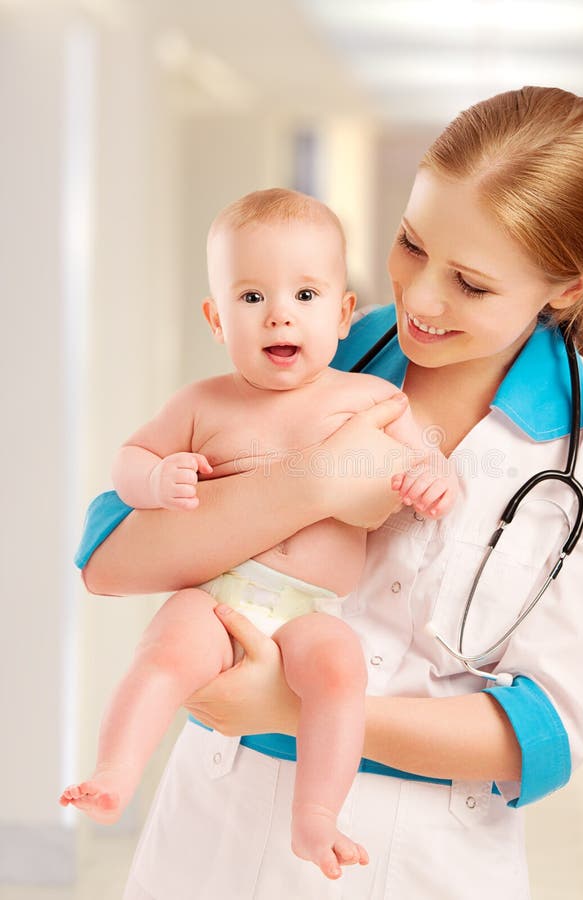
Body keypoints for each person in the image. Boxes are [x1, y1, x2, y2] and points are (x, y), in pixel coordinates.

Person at [76, 86, 583, 899]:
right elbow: (110, 556)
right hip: (213, 819)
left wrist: (286, 710)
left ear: (566, 287)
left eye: (472, 284)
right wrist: (314, 479)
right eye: (411, 244)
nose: (420, 299)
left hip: (421, 855)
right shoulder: (318, 338)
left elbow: (547, 735)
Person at [61, 188, 457, 881]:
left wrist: (436, 480)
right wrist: (157, 483)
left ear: (342, 314)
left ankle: (317, 816)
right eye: (251, 298)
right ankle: (115, 776)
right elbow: (131, 460)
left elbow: (426, 457)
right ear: (217, 319)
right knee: (165, 656)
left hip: (311, 608)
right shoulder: (202, 403)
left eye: (305, 295)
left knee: (340, 676)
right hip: (220, 592)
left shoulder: (370, 398)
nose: (279, 312)